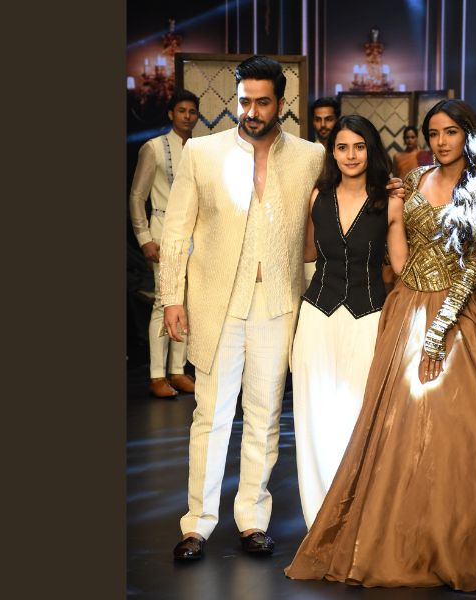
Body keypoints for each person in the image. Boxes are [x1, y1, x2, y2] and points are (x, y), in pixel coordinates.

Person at [285, 99, 476, 591]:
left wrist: (438, 332)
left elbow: (471, 267)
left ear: (468, 135)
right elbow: (400, 247)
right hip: (405, 307)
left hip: (455, 316)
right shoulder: (415, 179)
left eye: (450, 132)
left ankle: (461, 534)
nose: (441, 142)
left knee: (457, 431)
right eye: (434, 133)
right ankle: (406, 532)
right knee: (394, 430)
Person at [158, 56, 327, 561]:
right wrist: (171, 297)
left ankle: (253, 519)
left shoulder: (311, 156)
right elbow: (176, 230)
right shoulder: (203, 153)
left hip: (278, 302)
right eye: (244, 102)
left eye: (262, 102)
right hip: (216, 301)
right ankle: (197, 524)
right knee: (210, 415)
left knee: (265, 416)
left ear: (282, 103)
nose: (251, 112)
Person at [293, 115, 408, 530]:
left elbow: (402, 267)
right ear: (333, 152)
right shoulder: (316, 197)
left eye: (359, 146)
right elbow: (307, 253)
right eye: (342, 147)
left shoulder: (390, 201)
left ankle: (357, 516)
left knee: (361, 417)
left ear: (370, 150)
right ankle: (320, 520)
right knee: (314, 419)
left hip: (368, 317)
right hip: (317, 318)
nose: (351, 155)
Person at [128, 89, 200, 398]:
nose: (187, 116)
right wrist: (144, 238)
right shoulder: (154, 147)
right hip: (162, 230)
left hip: (194, 235)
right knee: (163, 301)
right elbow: (136, 196)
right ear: (171, 114)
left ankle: (178, 371)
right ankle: (157, 375)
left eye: (192, 111)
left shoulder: (199, 149)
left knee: (188, 302)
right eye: (181, 110)